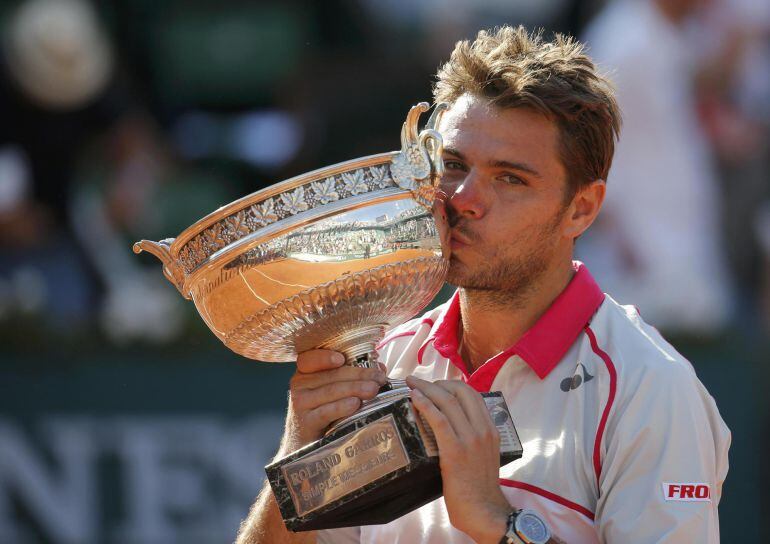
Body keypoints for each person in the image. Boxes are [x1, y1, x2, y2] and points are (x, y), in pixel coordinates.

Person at [235, 26, 730, 544]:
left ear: (581, 209)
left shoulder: (651, 388)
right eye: (452, 166)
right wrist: (297, 461)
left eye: (510, 178)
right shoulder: (384, 358)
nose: (464, 198)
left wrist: (499, 523)